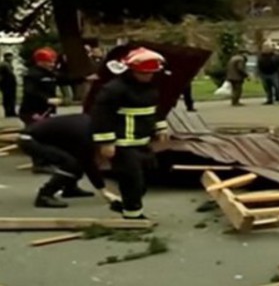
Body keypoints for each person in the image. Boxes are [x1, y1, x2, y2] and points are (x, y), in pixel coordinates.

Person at [89, 47, 168, 220]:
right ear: (132, 70)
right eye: (145, 73)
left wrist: (161, 127)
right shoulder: (114, 89)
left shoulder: (150, 87)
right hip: (123, 144)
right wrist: (106, 142)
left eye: (152, 73)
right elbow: (101, 116)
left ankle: (126, 205)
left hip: (143, 142)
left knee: (147, 178)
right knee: (132, 180)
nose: (149, 76)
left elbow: (156, 109)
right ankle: (133, 216)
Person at [17, 114, 121, 208]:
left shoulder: (94, 124)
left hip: (42, 138)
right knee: (71, 164)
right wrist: (104, 191)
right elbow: (88, 164)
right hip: (29, 140)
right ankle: (44, 195)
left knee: (75, 160)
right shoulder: (85, 135)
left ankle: (70, 189)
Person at [18, 47, 63, 126]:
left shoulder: (50, 74)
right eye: (49, 62)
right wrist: (47, 99)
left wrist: (83, 78)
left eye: (53, 62)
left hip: (47, 110)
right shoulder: (32, 74)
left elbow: (64, 80)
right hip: (32, 110)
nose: (52, 65)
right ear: (40, 62)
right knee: (37, 129)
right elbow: (30, 90)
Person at [0, 52, 17, 117]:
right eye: (10, 57)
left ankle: (10, 112)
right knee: (8, 98)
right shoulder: (5, 64)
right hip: (7, 83)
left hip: (7, 83)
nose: (12, 58)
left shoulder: (6, 64)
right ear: (7, 57)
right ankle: (9, 112)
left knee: (9, 98)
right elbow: (10, 74)